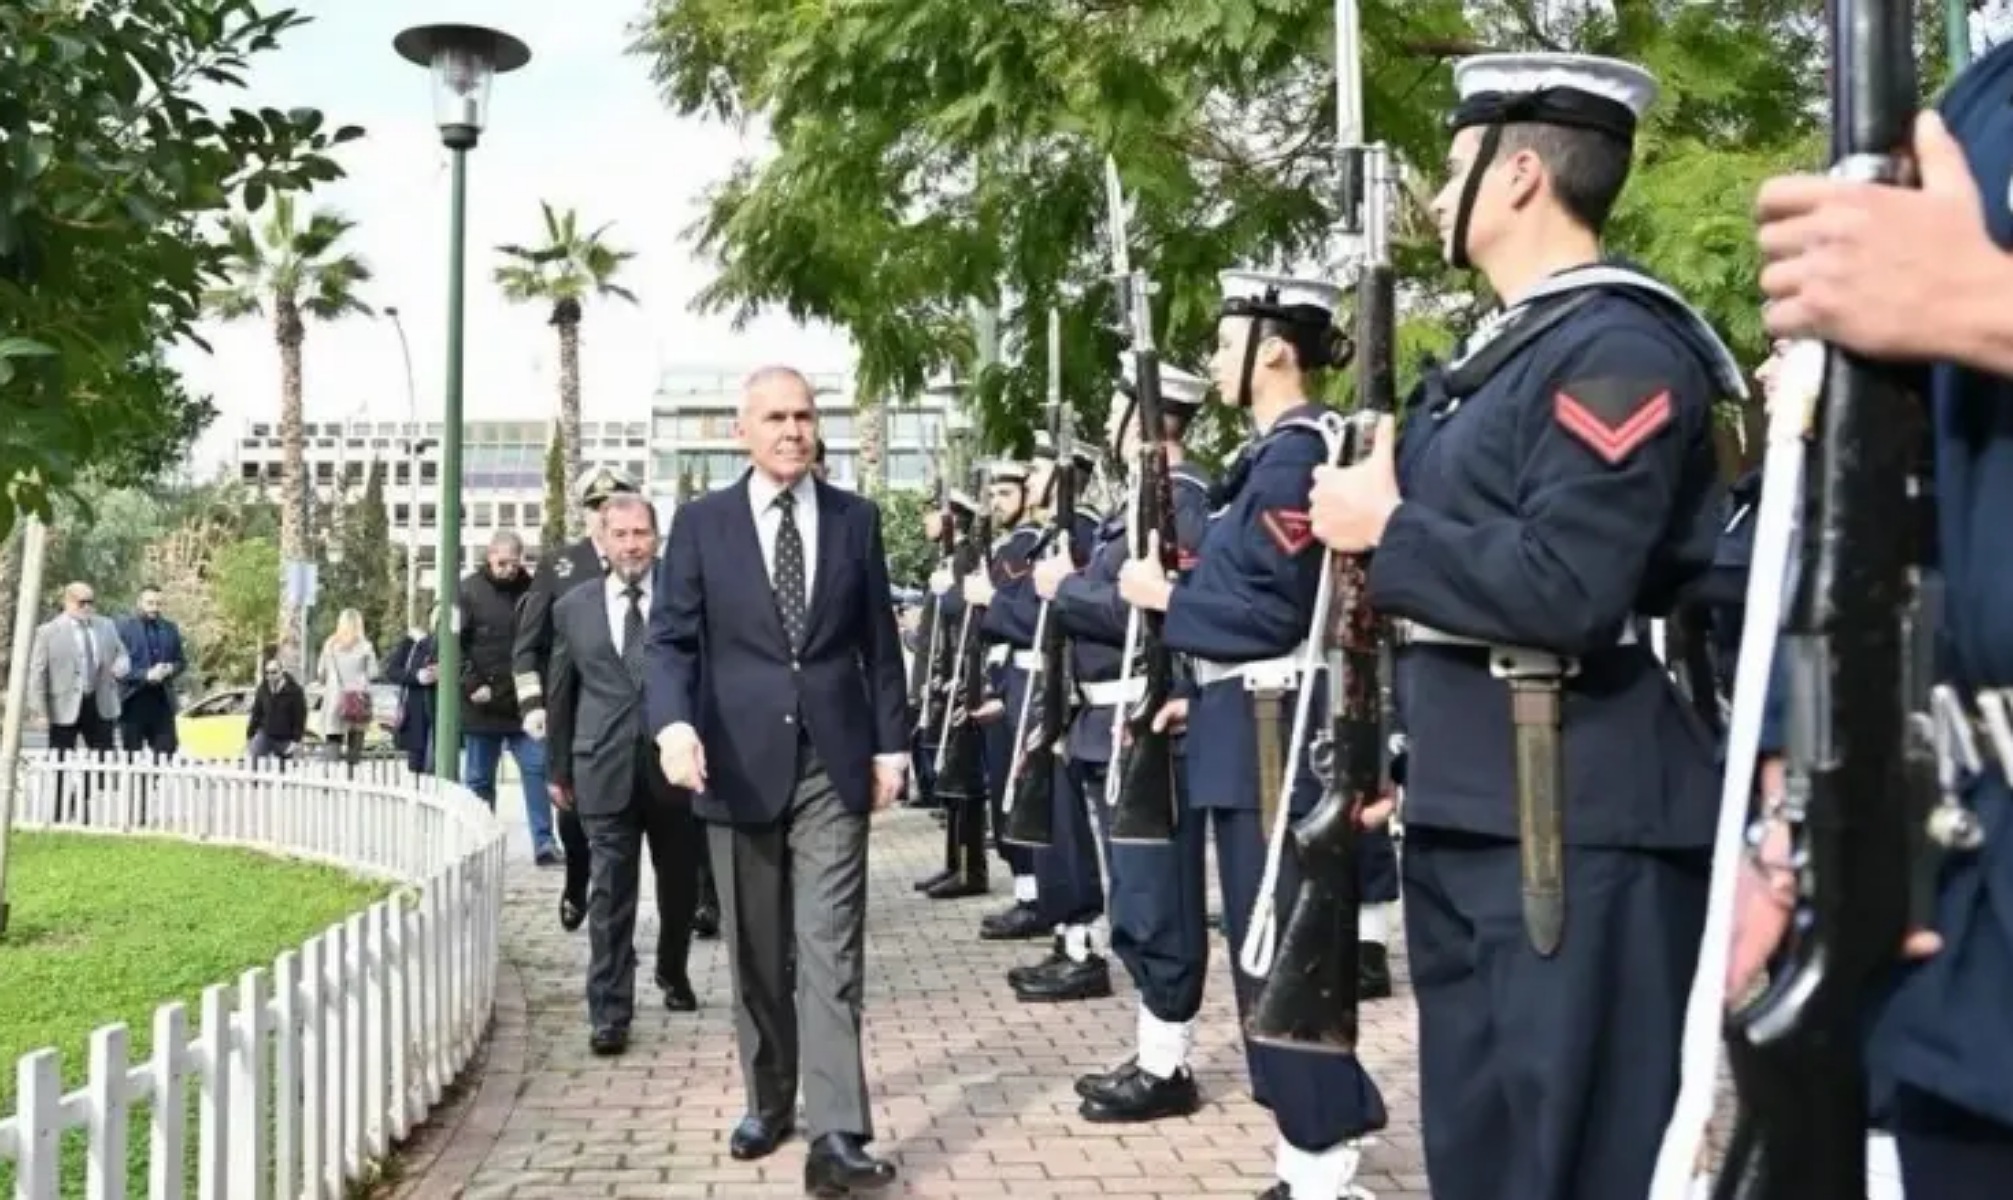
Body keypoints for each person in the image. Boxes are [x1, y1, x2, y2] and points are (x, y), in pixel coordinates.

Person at [1306, 52, 1745, 1200]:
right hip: (1478, 803)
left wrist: (1386, 528)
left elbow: (1568, 586)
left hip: (1576, 817)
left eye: (1456, 166)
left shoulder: (1617, 349)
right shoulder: (1499, 359)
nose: (1438, 195)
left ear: (1519, 175)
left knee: (1580, 1159)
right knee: (1484, 1157)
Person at [1732, 37, 2013, 1195]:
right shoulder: (1987, 101)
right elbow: (1883, 517)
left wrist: (1992, 307)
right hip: (1972, 916)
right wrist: (1792, 789)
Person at [1117, 270, 1389, 1200]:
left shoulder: (1291, 459)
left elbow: (1272, 612)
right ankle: (1307, 1160)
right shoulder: (1264, 462)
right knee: (1265, 951)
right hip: (1246, 723)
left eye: (1226, 341)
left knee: (1283, 951)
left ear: (1273, 349)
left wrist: (1167, 599)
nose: (1213, 359)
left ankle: (1324, 1166)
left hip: (1277, 732)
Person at [646, 365, 908, 1194]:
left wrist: (892, 748)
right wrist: (674, 727)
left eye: (803, 416)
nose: (792, 430)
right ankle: (770, 1099)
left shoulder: (856, 519)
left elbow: (879, 643)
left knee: (830, 949)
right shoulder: (701, 525)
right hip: (735, 763)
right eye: (775, 418)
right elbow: (670, 641)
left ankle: (837, 1135)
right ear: (742, 433)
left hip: (833, 762)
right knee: (758, 953)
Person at [1036, 357, 1215, 1117]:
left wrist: (1066, 589)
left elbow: (1146, 609)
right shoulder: (1138, 505)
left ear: (1134, 417)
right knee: (1136, 898)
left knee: (1157, 898)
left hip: (1147, 723)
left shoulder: (1181, 501)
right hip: (1108, 724)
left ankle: (1167, 1066)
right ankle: (1153, 1050)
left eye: (1115, 408)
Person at [514, 466, 722, 939]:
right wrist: (534, 707)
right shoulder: (562, 566)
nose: (626, 539)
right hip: (589, 725)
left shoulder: (666, 571)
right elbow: (530, 644)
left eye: (635, 526)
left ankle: (699, 905)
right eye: (595, 508)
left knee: (683, 840)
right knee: (578, 829)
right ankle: (577, 885)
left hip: (662, 733)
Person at [546, 494, 703, 1053]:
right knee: (610, 892)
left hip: (674, 768)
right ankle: (609, 1011)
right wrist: (558, 769)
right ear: (602, 541)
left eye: (641, 533)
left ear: (656, 538)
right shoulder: (573, 607)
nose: (632, 545)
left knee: (680, 885)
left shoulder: (686, 602)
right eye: (621, 534)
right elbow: (561, 691)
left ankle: (672, 968)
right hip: (603, 766)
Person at [994, 425, 1105, 995]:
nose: (1028, 479)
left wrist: (991, 604)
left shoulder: (1079, 532)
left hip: (1055, 686)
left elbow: (1042, 615)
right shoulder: (1051, 539)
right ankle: (1066, 937)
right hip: (1037, 685)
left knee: (1064, 823)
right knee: (1045, 817)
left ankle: (1084, 948)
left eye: (1038, 471)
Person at [950, 460, 1047, 930]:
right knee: (1004, 802)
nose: (997, 503)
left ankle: (1039, 900)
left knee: (1023, 799)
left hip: (1025, 685)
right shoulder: (1006, 548)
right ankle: (1027, 894)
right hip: (1004, 682)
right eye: (994, 495)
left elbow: (1030, 622)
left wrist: (988, 599)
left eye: (1007, 494)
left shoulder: (1031, 546)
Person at [457, 530, 555, 859]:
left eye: (515, 563)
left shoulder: (533, 590)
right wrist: (472, 684)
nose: (509, 570)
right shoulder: (468, 591)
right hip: (481, 705)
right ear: (490, 556)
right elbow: (452, 645)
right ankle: (478, 843)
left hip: (523, 704)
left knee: (537, 771)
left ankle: (544, 842)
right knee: (478, 780)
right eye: (503, 563)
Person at [115, 585, 187, 757]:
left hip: (162, 701)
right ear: (139, 603)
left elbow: (181, 661)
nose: (155, 608)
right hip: (132, 700)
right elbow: (116, 668)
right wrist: (146, 675)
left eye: (158, 603)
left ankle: (156, 776)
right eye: (150, 603)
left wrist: (170, 669)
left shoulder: (170, 628)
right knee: (131, 756)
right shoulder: (123, 628)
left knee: (167, 751)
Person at [315, 608, 379, 767]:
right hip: (357, 701)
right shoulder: (366, 646)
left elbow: (321, 674)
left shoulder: (329, 645)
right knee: (355, 748)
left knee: (333, 743)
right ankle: (352, 776)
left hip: (335, 701)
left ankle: (331, 778)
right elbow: (373, 673)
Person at [387, 608, 440, 776]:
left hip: (440, 713)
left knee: (438, 769)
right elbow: (392, 671)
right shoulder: (412, 641)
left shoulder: (452, 639)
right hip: (416, 714)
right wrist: (417, 676)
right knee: (417, 767)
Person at [247, 659, 309, 763]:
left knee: (287, 767)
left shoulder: (295, 691)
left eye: (274, 672)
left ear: (281, 671)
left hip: (286, 738)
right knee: (254, 760)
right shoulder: (262, 689)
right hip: (266, 735)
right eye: (267, 673)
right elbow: (256, 713)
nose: (270, 676)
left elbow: (300, 717)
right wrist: (250, 735)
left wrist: (296, 741)